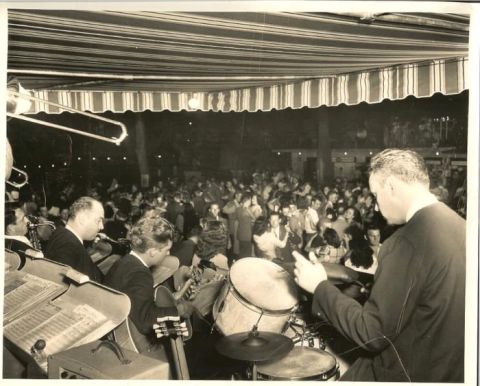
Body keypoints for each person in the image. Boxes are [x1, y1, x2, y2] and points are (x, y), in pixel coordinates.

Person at [293, 148, 465, 382]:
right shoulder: (461, 225)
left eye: (376, 195)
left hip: (404, 372)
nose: (375, 206)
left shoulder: (405, 242)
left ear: (392, 186)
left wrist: (319, 287)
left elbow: (372, 334)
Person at [104, 215, 192, 355]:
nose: (168, 253)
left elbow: (137, 302)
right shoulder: (141, 273)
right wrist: (180, 310)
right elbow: (145, 320)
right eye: (166, 250)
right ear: (152, 252)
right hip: (130, 345)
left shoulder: (125, 261)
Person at [45, 196, 104, 282]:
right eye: (98, 221)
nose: (101, 226)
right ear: (82, 219)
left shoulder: (62, 234)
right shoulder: (68, 245)